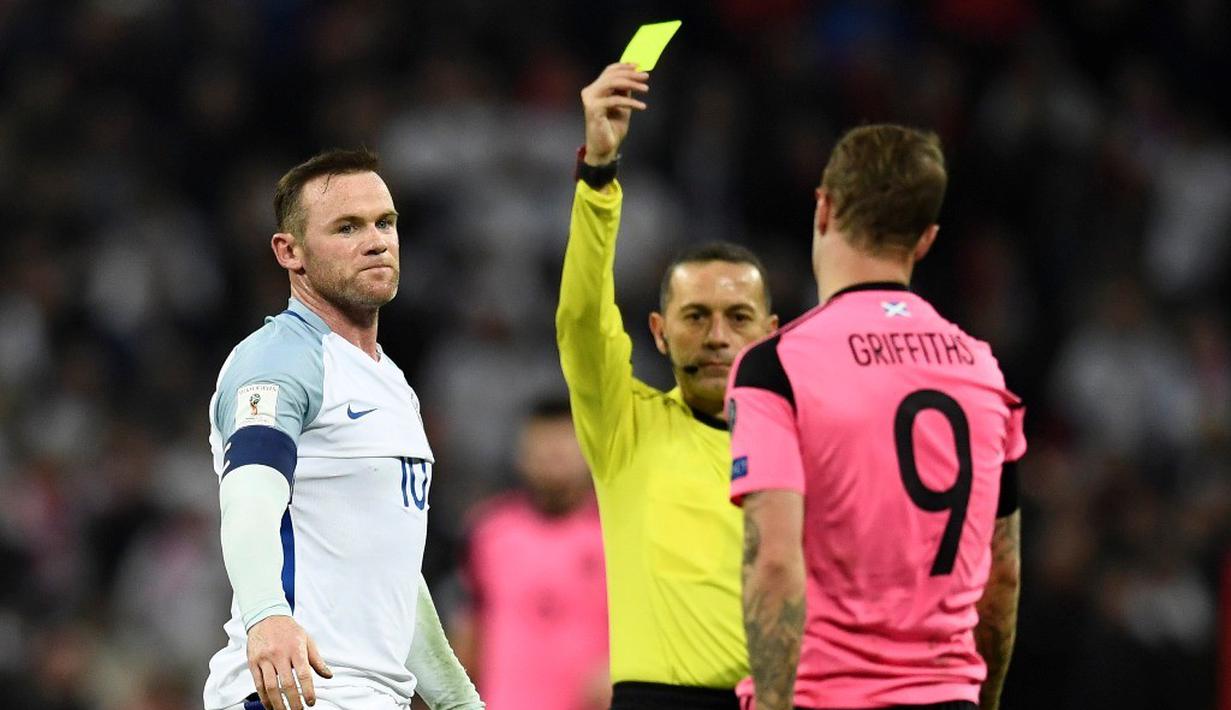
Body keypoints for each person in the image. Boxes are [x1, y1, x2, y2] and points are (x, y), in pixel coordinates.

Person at [728, 124, 1025, 710]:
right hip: (947, 696)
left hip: (827, 697)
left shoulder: (777, 366)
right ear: (926, 239)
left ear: (824, 207)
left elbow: (775, 561)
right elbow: (1004, 573)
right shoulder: (984, 371)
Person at [202, 148, 483, 710]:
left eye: (385, 223)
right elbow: (249, 501)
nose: (376, 241)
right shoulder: (278, 361)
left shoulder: (391, 383)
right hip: (294, 693)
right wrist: (266, 616)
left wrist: (458, 701)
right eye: (347, 227)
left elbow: (394, 575)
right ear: (291, 252)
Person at [556, 63, 779, 709]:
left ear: (770, 332)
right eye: (694, 316)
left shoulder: (807, 445)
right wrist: (598, 174)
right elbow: (579, 319)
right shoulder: (625, 427)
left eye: (737, 318)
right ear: (657, 331)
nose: (715, 336)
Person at [455, 398, 610, 710]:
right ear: (521, 455)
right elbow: (470, 627)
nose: (553, 455)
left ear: (590, 451)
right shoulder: (489, 530)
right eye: (542, 444)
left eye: (565, 443)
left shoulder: (615, 533)